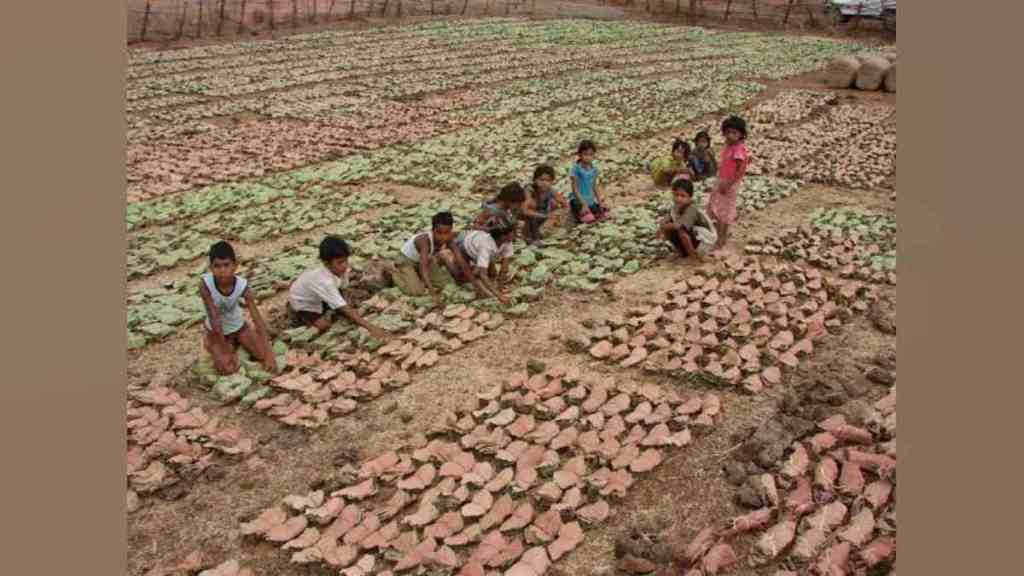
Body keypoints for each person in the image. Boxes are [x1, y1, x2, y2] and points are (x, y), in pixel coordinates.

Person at [198, 241, 278, 376]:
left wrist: (269, 354)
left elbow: (256, 317)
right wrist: (224, 350)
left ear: (235, 266)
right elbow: (214, 318)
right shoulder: (205, 285)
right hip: (216, 332)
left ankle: (237, 342)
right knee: (228, 369)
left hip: (239, 327)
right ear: (210, 268)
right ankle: (216, 344)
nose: (222, 271)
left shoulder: (243, 286)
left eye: (226, 265)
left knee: (263, 356)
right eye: (217, 266)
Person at [287, 235, 388, 339]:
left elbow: (343, 288)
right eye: (340, 262)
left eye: (346, 260)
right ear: (326, 263)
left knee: (346, 307)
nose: (345, 265)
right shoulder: (324, 281)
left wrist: (345, 304)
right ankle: (300, 317)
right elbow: (344, 306)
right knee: (324, 325)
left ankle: (331, 307)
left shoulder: (339, 269)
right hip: (303, 302)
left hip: (319, 295)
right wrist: (370, 327)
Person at [391, 211, 461, 308]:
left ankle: (415, 275)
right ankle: (393, 272)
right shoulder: (424, 241)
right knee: (417, 291)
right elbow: (423, 268)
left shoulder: (449, 238)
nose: (443, 237)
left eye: (447, 233)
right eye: (440, 233)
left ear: (451, 230)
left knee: (444, 284)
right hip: (406, 261)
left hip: (425, 260)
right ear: (433, 230)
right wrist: (434, 296)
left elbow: (460, 260)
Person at [707, 116, 751, 251]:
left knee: (724, 211)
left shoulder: (738, 149)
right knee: (715, 206)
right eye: (728, 132)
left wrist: (729, 183)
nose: (730, 135)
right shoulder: (728, 146)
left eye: (734, 133)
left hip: (729, 183)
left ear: (741, 134)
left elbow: (741, 168)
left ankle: (721, 239)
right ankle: (719, 234)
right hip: (722, 179)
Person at [445, 226, 516, 304]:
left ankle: (476, 269)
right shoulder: (486, 246)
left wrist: (500, 289)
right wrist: (499, 296)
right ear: (502, 236)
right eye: (511, 233)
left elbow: (504, 269)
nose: (514, 234)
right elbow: (483, 275)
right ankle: (445, 257)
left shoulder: (507, 242)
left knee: (492, 273)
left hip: (477, 242)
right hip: (465, 244)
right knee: (460, 278)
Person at [659, 179, 717, 263]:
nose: (679, 198)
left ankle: (693, 258)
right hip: (695, 238)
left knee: (681, 231)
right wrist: (663, 226)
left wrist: (665, 226)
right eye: (676, 195)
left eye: (683, 196)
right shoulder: (675, 208)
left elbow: (678, 226)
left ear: (690, 198)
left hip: (705, 241)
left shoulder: (691, 210)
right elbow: (665, 220)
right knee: (670, 229)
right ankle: (681, 252)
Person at [521, 164, 566, 244]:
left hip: (542, 215)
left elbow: (564, 204)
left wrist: (558, 213)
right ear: (535, 180)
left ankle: (542, 233)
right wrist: (545, 215)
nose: (545, 183)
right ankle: (530, 237)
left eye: (548, 180)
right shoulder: (529, 190)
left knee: (554, 204)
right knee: (532, 205)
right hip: (528, 217)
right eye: (542, 180)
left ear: (552, 181)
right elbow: (524, 210)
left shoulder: (550, 190)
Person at [569, 139, 609, 223]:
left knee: (605, 212)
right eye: (585, 154)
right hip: (578, 200)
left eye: (591, 154)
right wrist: (583, 204)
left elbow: (594, 186)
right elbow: (575, 189)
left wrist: (600, 201)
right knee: (589, 218)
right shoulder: (576, 169)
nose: (588, 157)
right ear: (580, 155)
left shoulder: (594, 170)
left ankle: (590, 211)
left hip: (589, 200)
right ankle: (580, 214)